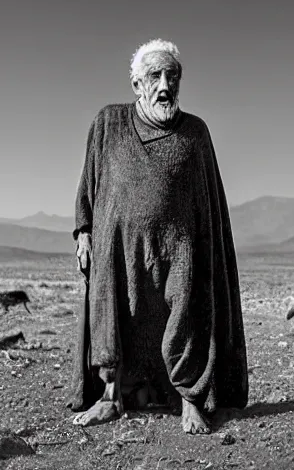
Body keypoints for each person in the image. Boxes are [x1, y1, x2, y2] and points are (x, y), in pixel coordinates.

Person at [66, 38, 249, 434]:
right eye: (155, 76)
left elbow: (210, 201)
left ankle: (189, 400)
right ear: (136, 84)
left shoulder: (195, 133)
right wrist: (83, 231)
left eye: (172, 76)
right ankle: (110, 398)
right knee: (110, 313)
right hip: (114, 246)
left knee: (185, 314)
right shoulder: (108, 123)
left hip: (178, 247)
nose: (165, 85)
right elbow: (89, 183)